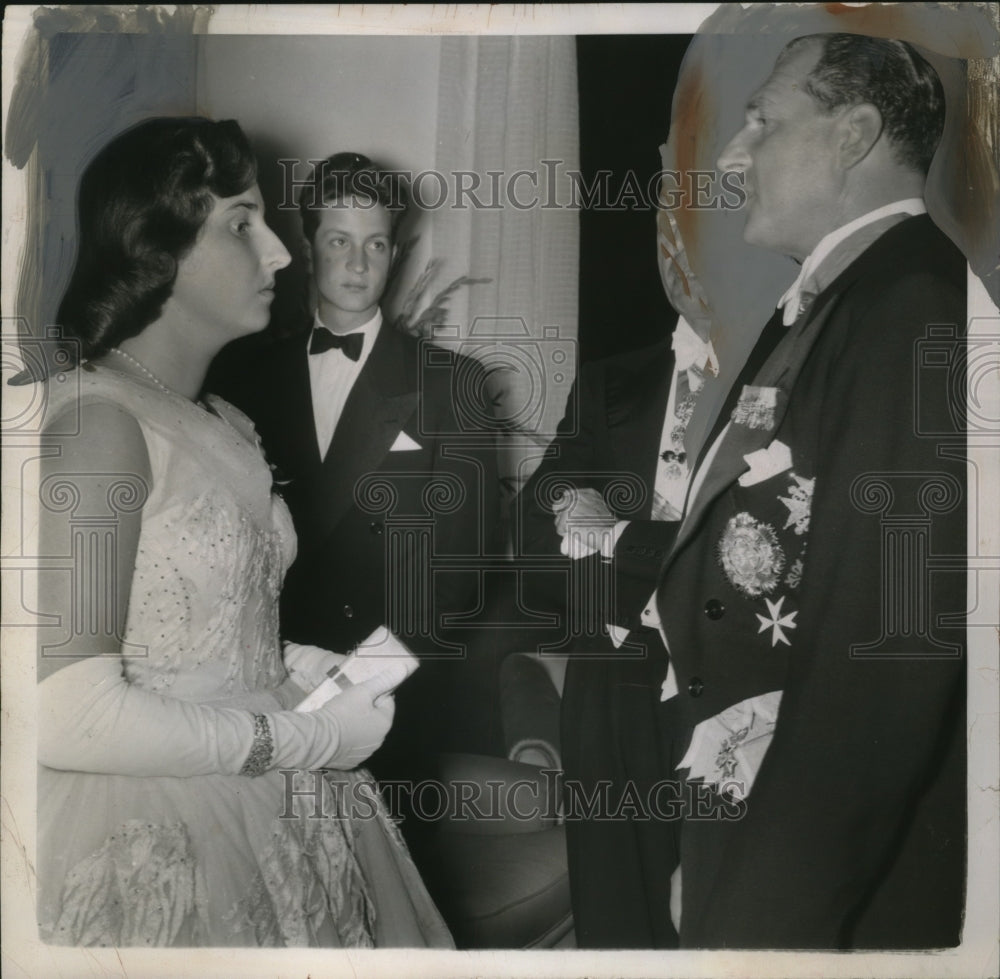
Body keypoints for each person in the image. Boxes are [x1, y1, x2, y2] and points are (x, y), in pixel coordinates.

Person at [32, 117, 453, 947]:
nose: (281, 252)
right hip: (154, 817)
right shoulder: (95, 424)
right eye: (241, 222)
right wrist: (305, 734)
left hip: (275, 798)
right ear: (161, 247)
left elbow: (207, 615)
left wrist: (293, 663)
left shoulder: (224, 418)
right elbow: (65, 711)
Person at [650, 34, 967, 948]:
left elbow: (887, 653)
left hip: (831, 886)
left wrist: (766, 908)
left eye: (763, 120)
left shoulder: (913, 313)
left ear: (853, 135)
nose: (733, 152)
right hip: (754, 817)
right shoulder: (842, 301)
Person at [514, 188, 762, 945]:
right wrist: (568, 506)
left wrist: (620, 534)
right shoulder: (610, 382)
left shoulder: (779, 381)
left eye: (699, 237)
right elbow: (531, 528)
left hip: (733, 699)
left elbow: (748, 550)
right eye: (667, 237)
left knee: (727, 926)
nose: (680, 255)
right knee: (617, 930)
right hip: (609, 695)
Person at [209, 153, 500, 794]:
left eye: (376, 244)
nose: (359, 263)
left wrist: (361, 683)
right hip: (259, 683)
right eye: (339, 240)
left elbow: (461, 570)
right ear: (309, 250)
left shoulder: (455, 386)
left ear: (395, 255)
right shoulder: (239, 378)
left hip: (385, 694)